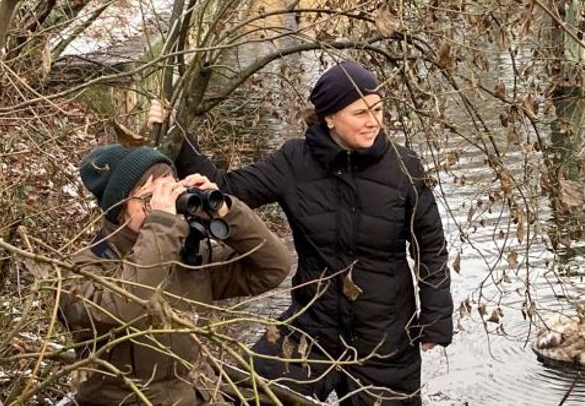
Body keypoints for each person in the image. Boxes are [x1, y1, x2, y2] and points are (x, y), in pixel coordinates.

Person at [151, 60, 453, 405]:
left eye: (379, 109)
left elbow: (429, 247)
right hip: (311, 328)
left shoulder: (405, 167)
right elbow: (230, 187)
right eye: (360, 113)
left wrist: (435, 319)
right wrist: (178, 136)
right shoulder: (295, 160)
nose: (374, 121)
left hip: (385, 339)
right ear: (329, 118)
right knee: (245, 394)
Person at [60, 144, 294, 405]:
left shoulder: (186, 258)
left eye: (170, 194)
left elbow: (273, 267)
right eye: (150, 199)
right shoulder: (80, 272)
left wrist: (227, 211)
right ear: (119, 207)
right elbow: (125, 307)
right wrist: (161, 225)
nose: (165, 206)